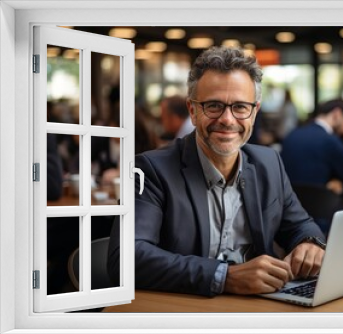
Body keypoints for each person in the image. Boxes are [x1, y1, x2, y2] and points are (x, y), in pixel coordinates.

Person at [107, 46, 326, 297]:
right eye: (213, 106)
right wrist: (225, 277)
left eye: (240, 107)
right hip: (187, 312)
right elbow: (124, 258)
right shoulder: (150, 170)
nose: (228, 119)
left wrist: (309, 243)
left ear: (254, 112)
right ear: (192, 111)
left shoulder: (269, 163)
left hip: (261, 309)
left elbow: (301, 226)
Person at [280, 99, 343, 200]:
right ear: (337, 114)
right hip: (320, 207)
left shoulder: (292, 135)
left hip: (288, 205)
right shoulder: (332, 142)